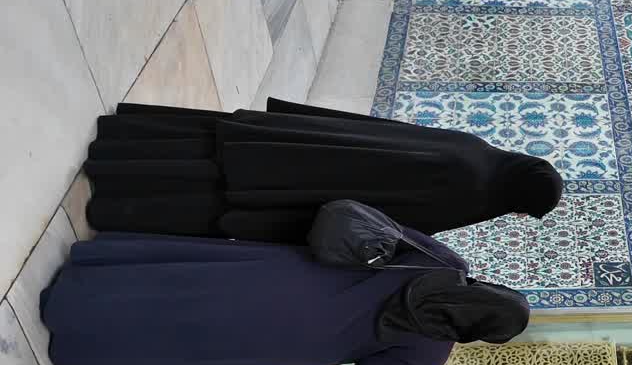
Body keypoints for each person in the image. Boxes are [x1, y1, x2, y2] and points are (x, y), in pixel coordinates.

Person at [39, 227, 529, 365]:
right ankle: (77, 334)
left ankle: (84, 278)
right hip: (292, 335)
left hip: (296, 275)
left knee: (187, 282)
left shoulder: (449, 265)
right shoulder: (430, 352)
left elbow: (393, 233)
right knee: (181, 331)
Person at [83, 98, 564, 244]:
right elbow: (394, 224)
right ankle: (112, 189)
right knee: (219, 190)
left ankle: (119, 143)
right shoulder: (475, 196)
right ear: (519, 203)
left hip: (312, 147)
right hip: (310, 186)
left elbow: (380, 134)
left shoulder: (478, 149)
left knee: (220, 150)